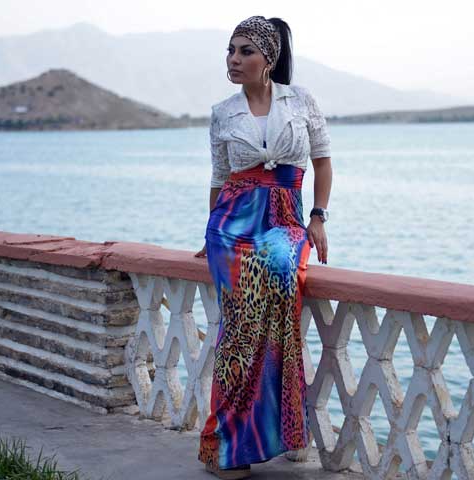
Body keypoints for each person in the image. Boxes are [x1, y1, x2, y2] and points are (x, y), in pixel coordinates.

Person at [193, 15, 332, 480]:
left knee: (275, 298)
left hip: (284, 221)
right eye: (230, 51)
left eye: (245, 51)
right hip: (231, 224)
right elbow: (218, 178)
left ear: (268, 58)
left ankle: (270, 433)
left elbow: (322, 160)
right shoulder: (222, 112)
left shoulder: (301, 101)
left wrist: (318, 217)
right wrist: (209, 232)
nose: (234, 60)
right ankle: (229, 448)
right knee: (238, 334)